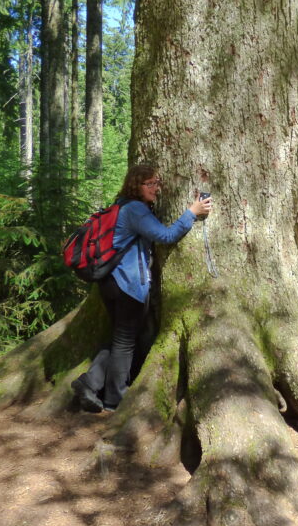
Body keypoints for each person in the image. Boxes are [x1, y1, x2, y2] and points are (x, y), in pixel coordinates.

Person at [72, 164, 213, 412]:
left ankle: (89, 382)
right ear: (136, 185)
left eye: (157, 183)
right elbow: (166, 236)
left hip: (110, 282)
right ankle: (115, 398)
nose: (156, 188)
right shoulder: (136, 209)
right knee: (125, 341)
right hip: (127, 284)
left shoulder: (121, 206)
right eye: (149, 184)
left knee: (119, 337)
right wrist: (192, 212)